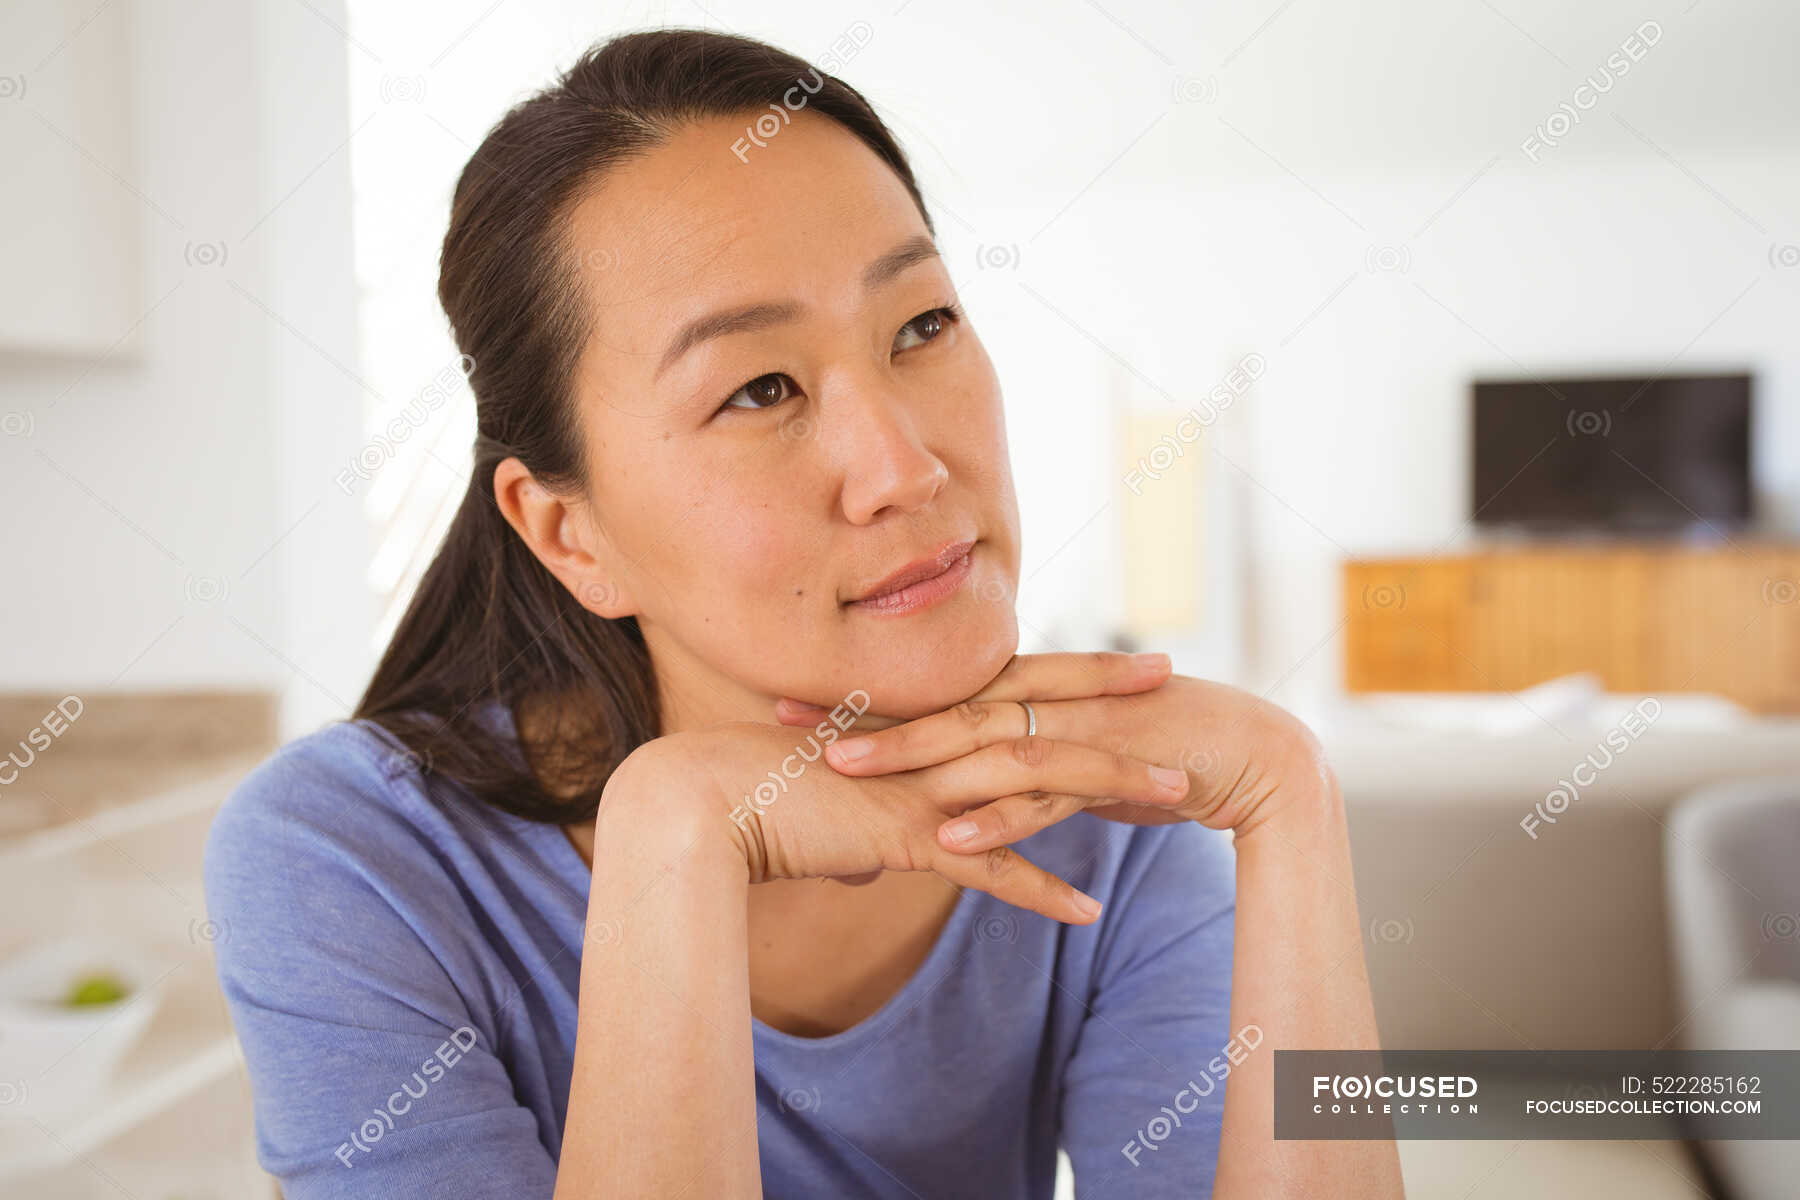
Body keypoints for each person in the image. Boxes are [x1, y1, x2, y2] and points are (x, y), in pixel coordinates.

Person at [204, 27, 1402, 1199]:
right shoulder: (347, 864)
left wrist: (1289, 798)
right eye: (760, 387)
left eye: (922, 326)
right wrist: (676, 836)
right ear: (573, 534)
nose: (906, 468)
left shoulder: (1111, 816)